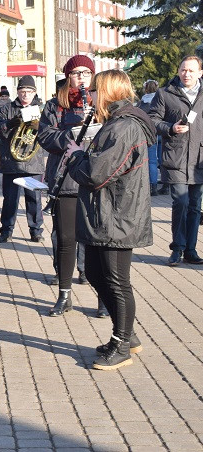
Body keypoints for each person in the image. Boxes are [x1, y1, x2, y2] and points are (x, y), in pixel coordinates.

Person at [65, 69, 154, 370]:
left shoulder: (125, 127)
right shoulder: (114, 124)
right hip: (103, 214)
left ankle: (122, 343)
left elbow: (96, 173)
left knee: (116, 281)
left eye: (94, 90)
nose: (89, 95)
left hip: (117, 217)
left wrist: (76, 155)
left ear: (109, 92)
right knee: (93, 272)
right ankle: (127, 334)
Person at [38, 55, 102, 317]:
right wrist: (72, 132)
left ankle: (103, 297)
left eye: (86, 73)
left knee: (98, 241)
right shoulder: (55, 105)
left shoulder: (99, 102)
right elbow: (44, 136)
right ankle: (64, 295)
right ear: (67, 76)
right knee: (65, 240)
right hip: (65, 178)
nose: (81, 78)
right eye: (76, 73)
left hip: (95, 177)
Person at [148, 56, 203, 266]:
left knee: (195, 206)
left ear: (200, 73)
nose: (186, 74)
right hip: (176, 156)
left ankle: (190, 249)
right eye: (183, 70)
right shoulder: (165, 93)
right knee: (180, 202)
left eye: (191, 70)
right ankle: (177, 248)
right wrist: (170, 128)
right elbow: (152, 120)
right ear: (178, 71)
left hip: (199, 159)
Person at [0, 75, 46, 244]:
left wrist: (40, 127)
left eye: (29, 92)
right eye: (22, 91)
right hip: (11, 163)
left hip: (33, 163)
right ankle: (6, 231)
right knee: (10, 200)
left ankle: (35, 230)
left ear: (34, 92)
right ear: (18, 92)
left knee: (34, 199)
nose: (25, 95)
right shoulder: (7, 108)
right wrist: (10, 123)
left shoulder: (41, 109)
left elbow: (48, 133)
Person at [138, 80, 161, 196]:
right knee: (160, 159)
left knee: (151, 160)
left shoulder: (142, 102)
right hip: (161, 131)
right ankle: (161, 186)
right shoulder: (160, 100)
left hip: (148, 133)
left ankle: (151, 186)